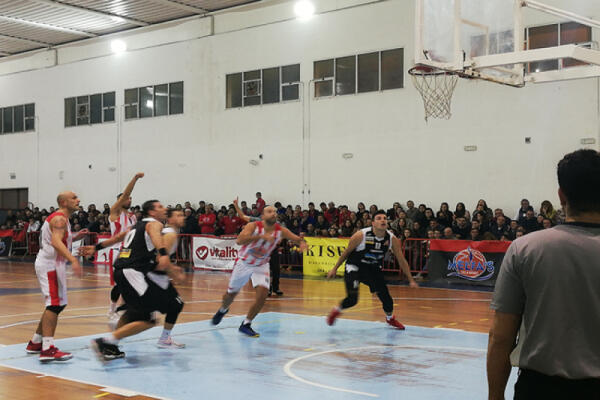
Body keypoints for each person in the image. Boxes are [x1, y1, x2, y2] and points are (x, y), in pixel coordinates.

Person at [487, 149, 600, 399]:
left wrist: (495, 395)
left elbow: (501, 336)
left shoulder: (525, 248)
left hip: (540, 388)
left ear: (561, 195)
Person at [90, 200, 185, 360]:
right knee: (148, 319)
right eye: (160, 207)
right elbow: (156, 241)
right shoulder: (155, 224)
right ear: (152, 212)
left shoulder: (136, 226)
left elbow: (118, 237)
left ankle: (112, 345)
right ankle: (106, 341)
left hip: (121, 271)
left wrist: (96, 247)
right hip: (133, 271)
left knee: (135, 312)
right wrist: (164, 256)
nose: (164, 209)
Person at [211, 206, 307, 337]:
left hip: (261, 265)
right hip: (244, 263)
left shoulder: (281, 230)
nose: (273, 214)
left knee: (262, 295)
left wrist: (302, 243)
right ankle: (223, 309)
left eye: (275, 212)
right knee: (230, 295)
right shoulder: (253, 226)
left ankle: (246, 323)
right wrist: (260, 237)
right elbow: (239, 241)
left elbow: (298, 239)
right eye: (270, 211)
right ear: (262, 216)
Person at [326, 210, 418, 329]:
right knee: (352, 299)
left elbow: (401, 260)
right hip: (355, 266)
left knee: (386, 298)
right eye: (379, 218)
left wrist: (411, 280)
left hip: (373, 268)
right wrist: (334, 269)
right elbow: (346, 252)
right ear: (373, 223)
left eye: (384, 218)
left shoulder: (392, 239)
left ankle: (390, 318)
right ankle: (336, 310)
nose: (383, 220)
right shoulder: (361, 235)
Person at [26, 191, 83, 362]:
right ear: (64, 202)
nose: (78, 200)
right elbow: (56, 242)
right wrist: (73, 259)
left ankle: (36, 342)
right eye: (74, 198)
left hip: (54, 264)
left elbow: (58, 238)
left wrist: (77, 237)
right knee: (54, 304)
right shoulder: (59, 219)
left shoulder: (62, 219)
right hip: (50, 265)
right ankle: (47, 349)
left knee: (58, 304)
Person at [107, 172, 144, 327]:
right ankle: (111, 311)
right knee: (118, 284)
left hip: (130, 252)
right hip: (117, 251)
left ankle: (127, 310)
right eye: (127, 198)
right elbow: (126, 194)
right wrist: (134, 179)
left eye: (130, 199)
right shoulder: (115, 212)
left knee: (130, 283)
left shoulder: (132, 216)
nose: (129, 200)